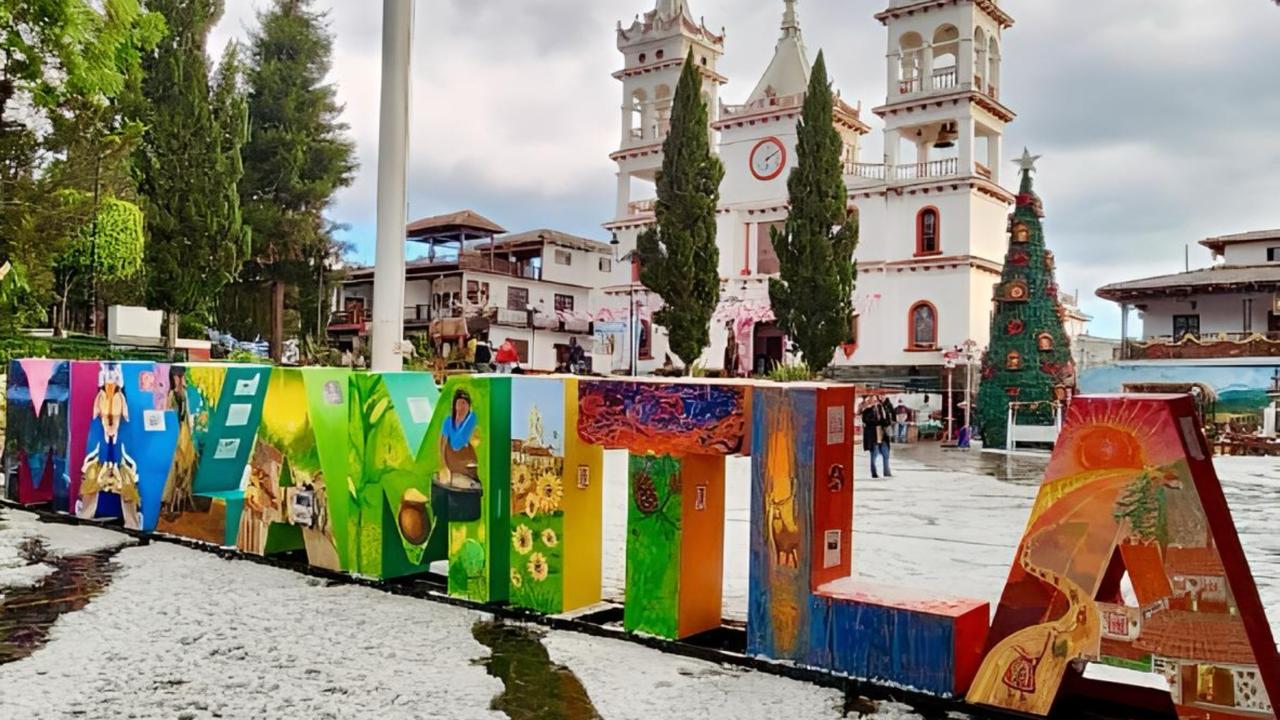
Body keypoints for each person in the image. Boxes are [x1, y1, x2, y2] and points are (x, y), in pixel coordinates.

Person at [861, 395, 892, 479]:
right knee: (874, 454)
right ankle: (874, 472)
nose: (875, 402)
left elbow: (888, 419)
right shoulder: (867, 411)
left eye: (875, 400)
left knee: (886, 453)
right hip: (873, 435)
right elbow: (866, 420)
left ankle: (887, 471)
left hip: (883, 434)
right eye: (873, 401)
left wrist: (885, 422)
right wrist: (878, 422)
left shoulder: (882, 408)